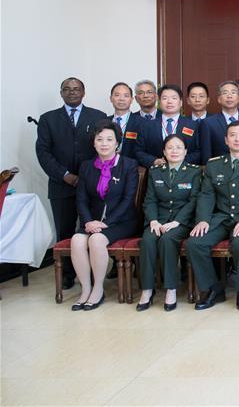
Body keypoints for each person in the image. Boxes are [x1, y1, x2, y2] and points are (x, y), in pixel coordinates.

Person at [187, 120, 239, 311]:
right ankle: (213, 290)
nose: (237, 139)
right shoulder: (214, 165)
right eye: (232, 135)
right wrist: (203, 220)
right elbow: (206, 194)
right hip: (221, 217)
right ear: (226, 140)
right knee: (195, 243)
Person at [36, 77, 107, 290]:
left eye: (76, 89)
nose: (72, 92)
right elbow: (43, 152)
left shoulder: (98, 116)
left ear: (84, 92)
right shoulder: (48, 119)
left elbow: (103, 149)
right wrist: (65, 175)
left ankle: (94, 274)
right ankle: (67, 275)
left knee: (92, 231)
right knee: (65, 232)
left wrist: (89, 176)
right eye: (67, 89)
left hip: (92, 185)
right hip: (61, 186)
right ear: (61, 93)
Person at [70, 121, 140, 310]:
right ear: (93, 143)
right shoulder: (86, 166)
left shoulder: (129, 165)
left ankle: (98, 289)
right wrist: (87, 222)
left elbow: (128, 200)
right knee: (77, 240)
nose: (104, 143)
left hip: (121, 220)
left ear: (117, 143)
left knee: (96, 241)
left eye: (109, 139)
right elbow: (81, 199)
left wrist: (105, 223)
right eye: (99, 139)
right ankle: (85, 289)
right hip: (91, 220)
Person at [137, 134, 201, 312]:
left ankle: (170, 288)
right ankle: (147, 289)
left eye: (178, 147)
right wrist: (154, 221)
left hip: (182, 222)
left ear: (185, 151)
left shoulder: (194, 172)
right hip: (158, 220)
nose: (174, 151)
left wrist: (178, 222)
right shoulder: (155, 172)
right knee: (148, 240)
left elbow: (194, 201)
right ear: (163, 152)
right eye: (170, 147)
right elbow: (149, 200)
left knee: (167, 240)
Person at [135, 85, 201, 168]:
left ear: (180, 102)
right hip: (156, 173)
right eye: (165, 98)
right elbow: (138, 151)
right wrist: (153, 161)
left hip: (185, 173)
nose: (169, 101)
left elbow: (199, 151)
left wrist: (180, 161)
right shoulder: (146, 126)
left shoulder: (193, 125)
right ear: (159, 102)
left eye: (174, 98)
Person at [200, 80, 239, 162]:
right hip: (219, 169)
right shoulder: (208, 123)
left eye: (233, 92)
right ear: (219, 99)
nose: (229, 96)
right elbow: (206, 152)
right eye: (225, 93)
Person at [108, 82, 142, 159]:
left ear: (131, 99)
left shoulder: (142, 123)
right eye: (117, 95)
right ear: (111, 99)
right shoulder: (104, 121)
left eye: (126, 96)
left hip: (133, 167)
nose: (121, 99)